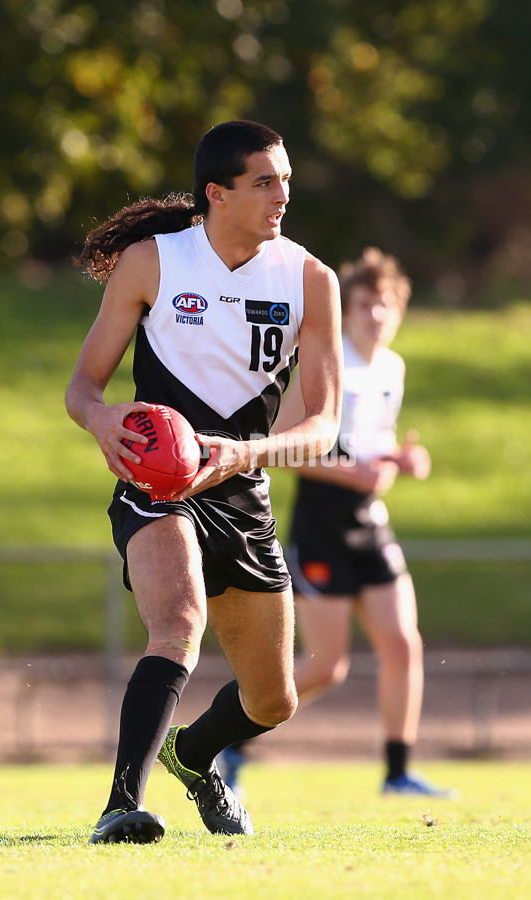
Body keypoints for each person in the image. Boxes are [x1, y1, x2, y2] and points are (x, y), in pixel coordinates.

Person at [65, 120, 343, 844]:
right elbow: (83, 389)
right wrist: (99, 423)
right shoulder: (151, 262)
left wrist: (243, 455)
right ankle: (120, 805)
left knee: (274, 700)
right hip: (155, 485)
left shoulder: (311, 278)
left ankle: (191, 754)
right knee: (178, 623)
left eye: (284, 178)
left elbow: (323, 428)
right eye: (264, 181)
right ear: (217, 194)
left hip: (243, 491)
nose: (283, 193)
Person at [220, 248, 454, 797]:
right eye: (367, 303)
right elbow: (277, 447)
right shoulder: (330, 363)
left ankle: (397, 773)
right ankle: (227, 737)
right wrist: (357, 475)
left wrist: (398, 461)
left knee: (403, 645)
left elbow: (372, 451)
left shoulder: (392, 368)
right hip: (321, 526)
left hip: (371, 523)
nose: (377, 314)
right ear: (347, 311)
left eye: (387, 304)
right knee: (326, 668)